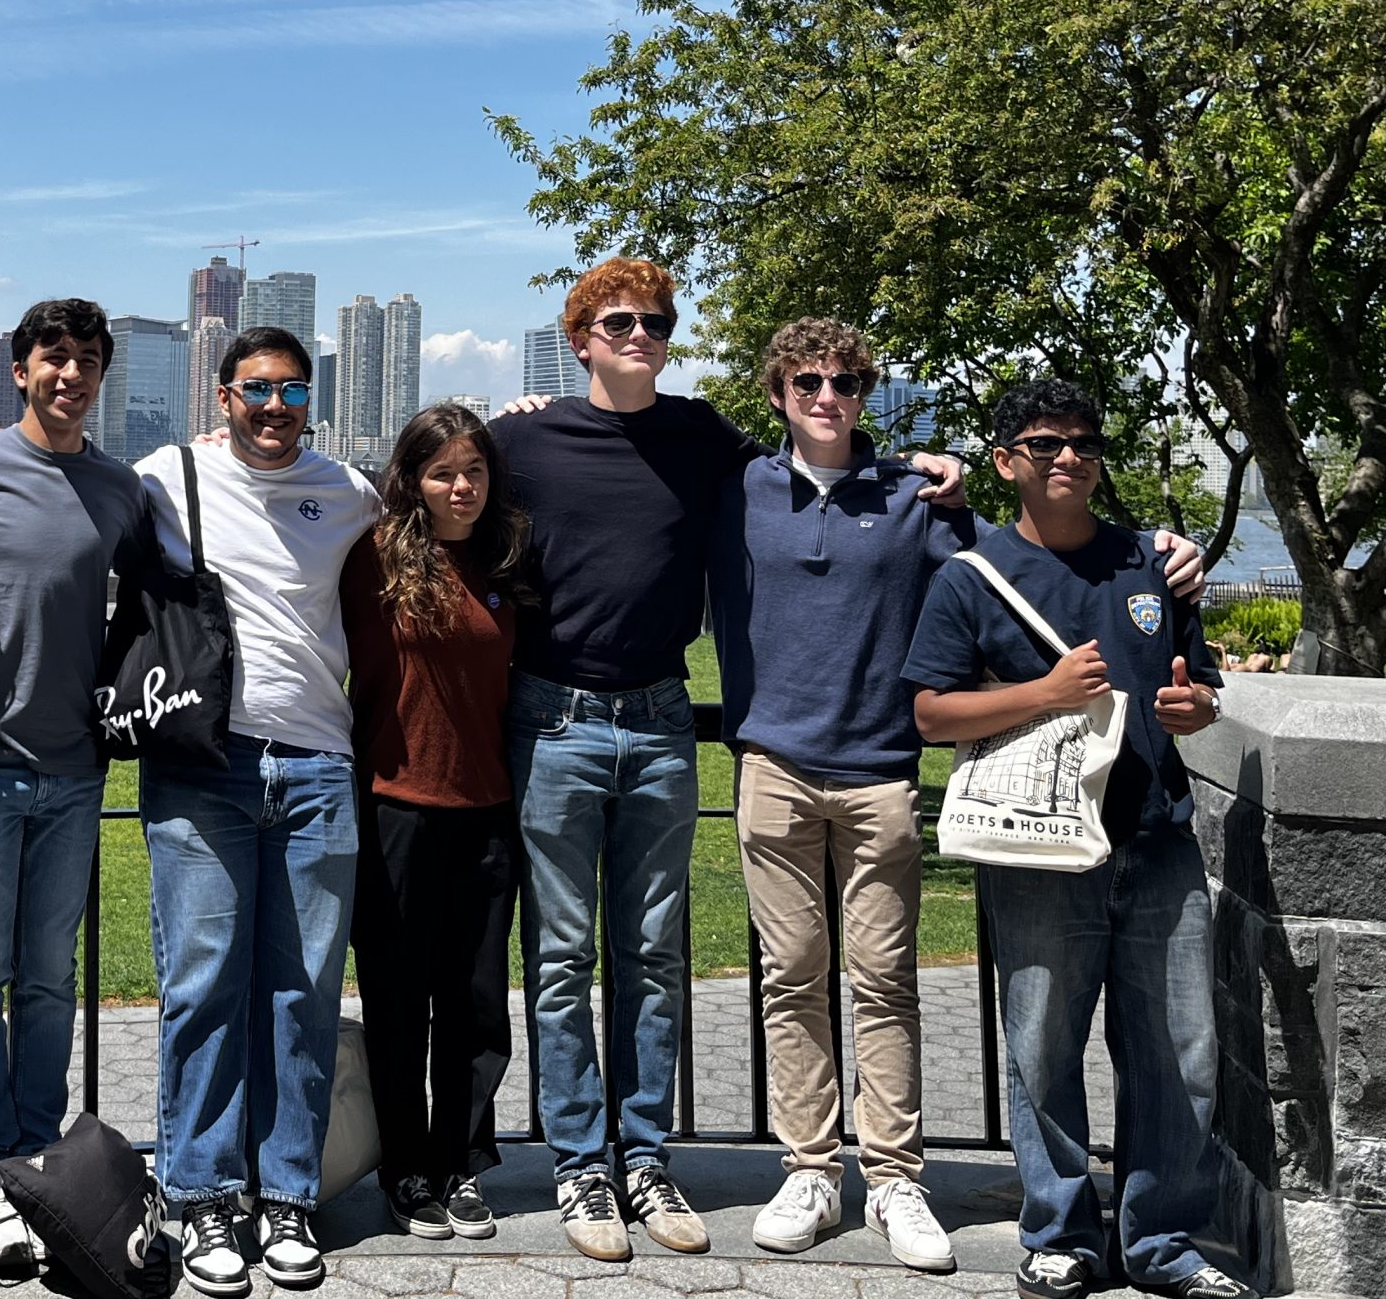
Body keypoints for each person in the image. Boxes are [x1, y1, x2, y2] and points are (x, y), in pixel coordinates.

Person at [487, 259, 969, 1261]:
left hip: (667, 721)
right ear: (578, 338)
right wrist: (498, 413)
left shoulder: (707, 441)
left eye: (655, 322)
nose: (639, 335)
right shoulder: (522, 440)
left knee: (656, 959)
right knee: (564, 958)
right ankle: (582, 1168)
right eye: (617, 321)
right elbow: (428, 492)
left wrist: (941, 475)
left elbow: (837, 476)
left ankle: (647, 1158)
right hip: (554, 722)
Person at [712, 325, 1206, 1271]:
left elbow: (1036, 553)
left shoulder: (919, 493)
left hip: (885, 767)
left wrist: (1165, 551)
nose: (829, 394)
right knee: (790, 978)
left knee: (887, 980)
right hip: (770, 762)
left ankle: (896, 1177)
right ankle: (811, 1167)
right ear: (777, 392)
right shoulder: (733, 490)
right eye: (808, 380)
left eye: (849, 379)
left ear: (867, 390)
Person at [905, 379, 1249, 1299]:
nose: (1069, 458)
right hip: (1039, 851)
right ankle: (1060, 1231)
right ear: (1006, 460)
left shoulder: (1153, 563)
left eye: (1085, 444)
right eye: (1046, 443)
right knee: (1042, 1045)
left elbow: (1202, 682)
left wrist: (1195, 706)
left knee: (1180, 1052)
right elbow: (932, 713)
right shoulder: (969, 576)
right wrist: (1045, 694)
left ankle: (1163, 1241)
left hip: (1158, 839)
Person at [133, 326, 382, 1297]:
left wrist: (523, 423)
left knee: (302, 992)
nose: (275, 407)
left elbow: (454, 499)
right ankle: (200, 1195)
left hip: (319, 765)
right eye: (256, 390)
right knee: (202, 986)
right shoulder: (164, 477)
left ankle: (286, 1195)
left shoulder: (348, 491)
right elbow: (62, 495)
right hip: (205, 767)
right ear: (223, 394)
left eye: (291, 390)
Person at [0, 300, 155, 1273]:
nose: (70, 373)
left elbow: (161, 604)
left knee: (53, 982)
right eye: (52, 357)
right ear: (18, 370)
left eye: (87, 360)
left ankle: (33, 1158)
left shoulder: (119, 489)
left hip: (74, 768)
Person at [341, 403, 535, 1243]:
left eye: (476, 471)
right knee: (396, 999)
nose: (461, 487)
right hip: (395, 807)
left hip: (489, 809)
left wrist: (528, 416)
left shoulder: (508, 557)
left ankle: (460, 1160)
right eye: (443, 472)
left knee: (476, 1003)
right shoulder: (373, 557)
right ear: (411, 479)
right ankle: (405, 1166)